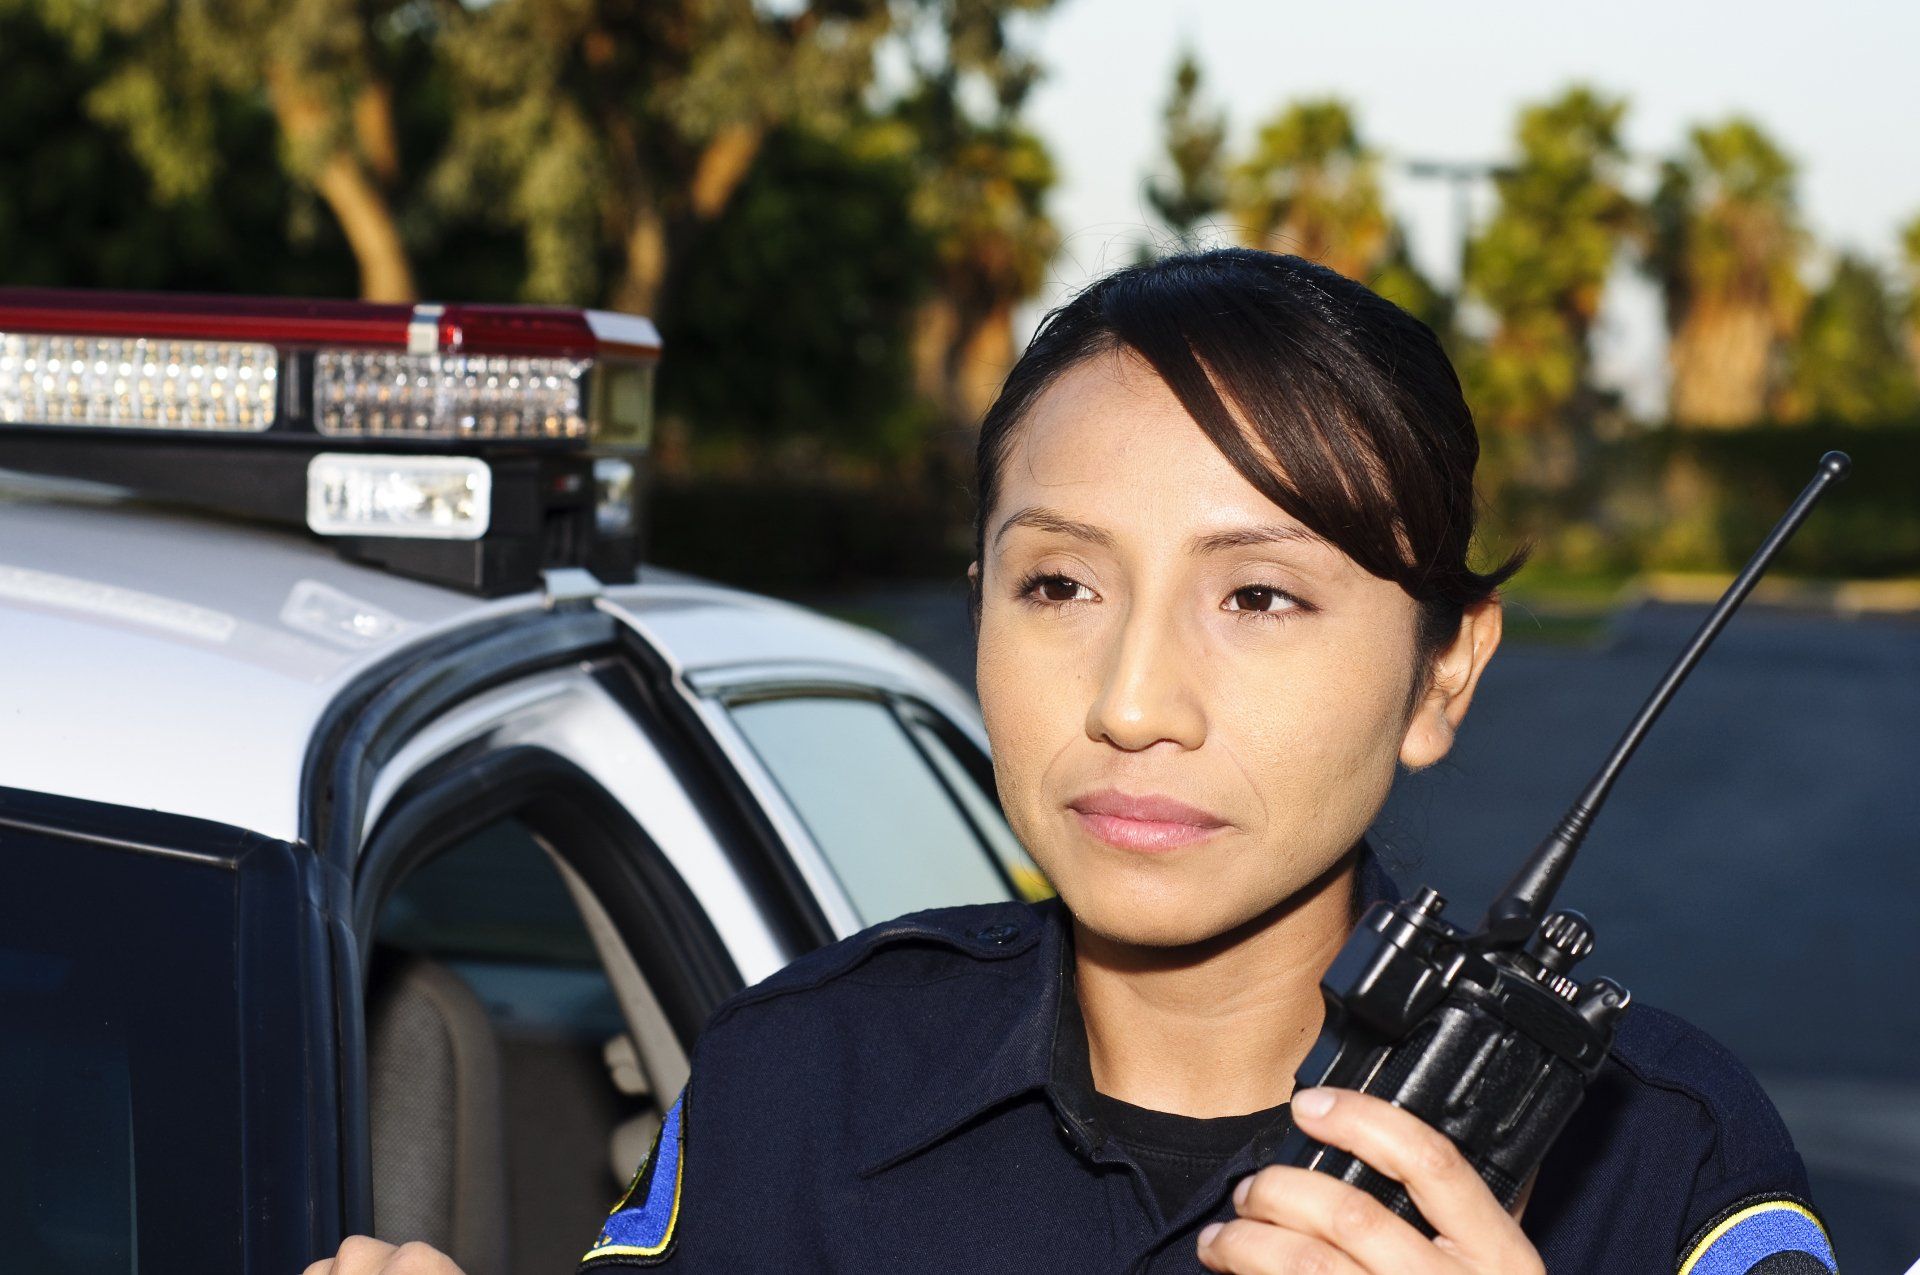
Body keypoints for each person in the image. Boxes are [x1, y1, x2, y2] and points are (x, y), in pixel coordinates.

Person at [305, 249, 1834, 1275]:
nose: (1133, 699)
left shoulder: (1665, 1166)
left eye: (1259, 596)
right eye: (1058, 586)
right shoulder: (801, 1085)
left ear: (1446, 671)